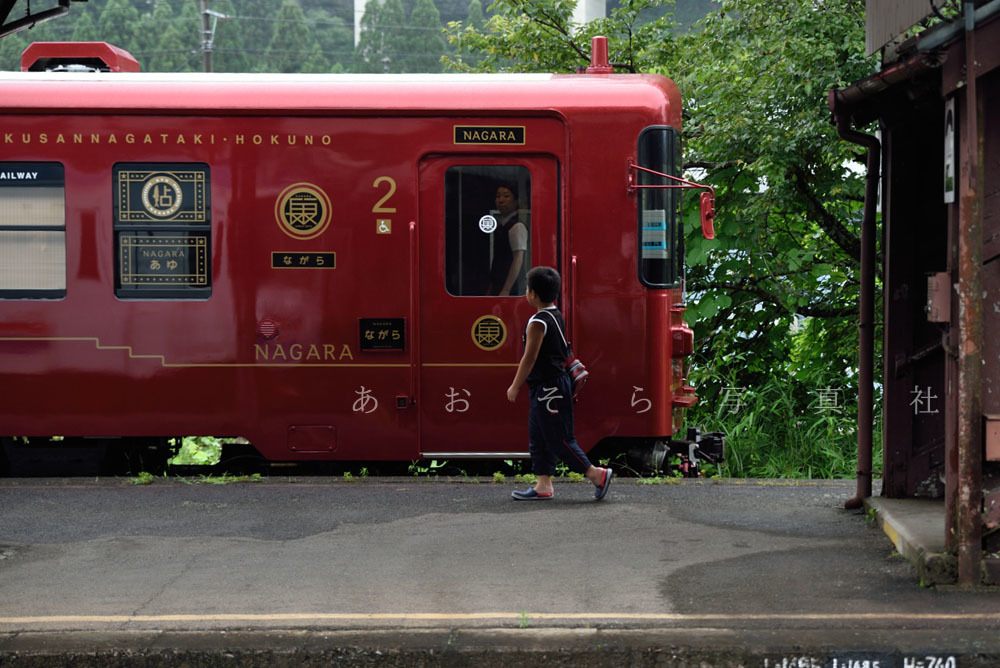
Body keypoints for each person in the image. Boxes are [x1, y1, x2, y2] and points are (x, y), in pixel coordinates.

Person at [506, 266, 613, 501]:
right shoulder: (555, 314)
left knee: (559, 438)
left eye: (527, 289)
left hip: (550, 389)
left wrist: (515, 385)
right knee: (539, 436)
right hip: (547, 387)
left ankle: (597, 474)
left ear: (533, 294)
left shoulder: (538, 322)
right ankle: (543, 485)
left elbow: (530, 357)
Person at [487, 183, 529, 296]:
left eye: (506, 196)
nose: (501, 200)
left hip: (511, 288)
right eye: (498, 196)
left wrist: (506, 289)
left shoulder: (517, 226)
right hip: (499, 282)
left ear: (516, 201)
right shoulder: (502, 226)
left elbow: (518, 259)